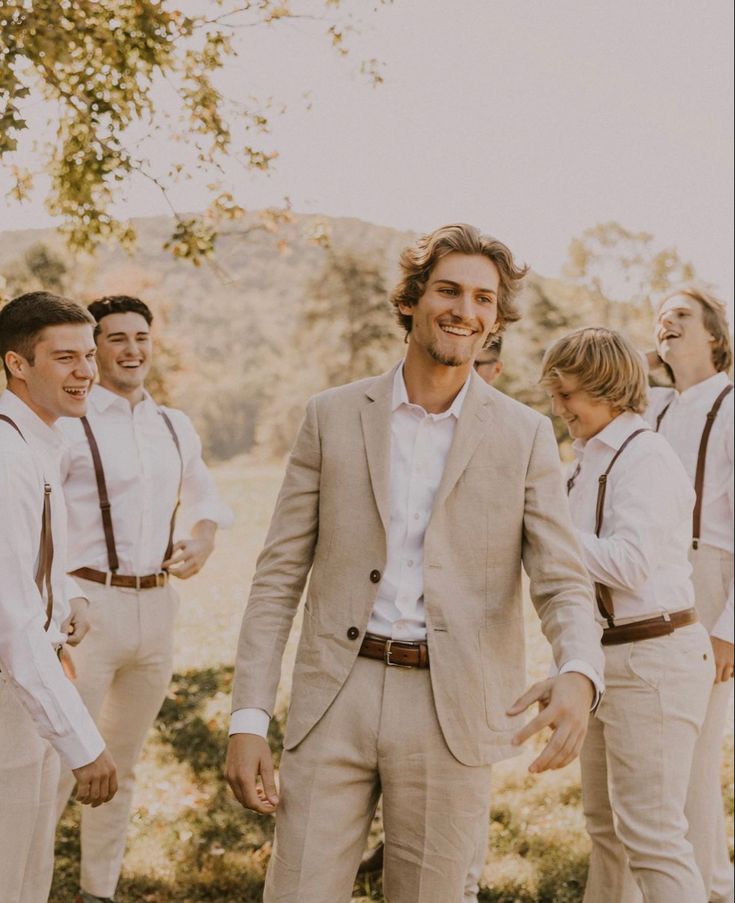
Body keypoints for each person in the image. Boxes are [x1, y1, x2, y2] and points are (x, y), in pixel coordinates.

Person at [225, 223, 604, 903]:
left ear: (495, 318)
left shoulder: (523, 436)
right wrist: (248, 717)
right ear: (410, 300)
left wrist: (578, 669)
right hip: (331, 698)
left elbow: (561, 580)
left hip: (450, 710)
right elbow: (277, 578)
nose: (466, 309)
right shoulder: (330, 417)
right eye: (449, 290)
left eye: (484, 299)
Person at [55, 295, 233, 903]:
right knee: (59, 764)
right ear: (92, 349)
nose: (131, 349)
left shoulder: (173, 425)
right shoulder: (68, 422)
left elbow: (205, 497)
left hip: (156, 611)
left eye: (141, 338)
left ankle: (97, 892)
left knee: (121, 765)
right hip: (85, 610)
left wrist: (202, 539)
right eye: (116, 338)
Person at [542, 327, 713, 902]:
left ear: (608, 388)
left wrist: (545, 529)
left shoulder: (648, 456)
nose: (557, 406)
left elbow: (631, 563)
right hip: (603, 660)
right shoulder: (583, 462)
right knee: (605, 830)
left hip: (654, 660)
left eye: (567, 394)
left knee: (654, 837)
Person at [357, 330, 506, 900]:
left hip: (453, 681)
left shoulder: (518, 433)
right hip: (353, 668)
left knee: (447, 873)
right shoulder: (350, 414)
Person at [0, 292, 117, 903]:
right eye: (66, 358)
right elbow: (11, 623)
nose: (87, 373)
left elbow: (26, 567)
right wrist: (83, 743)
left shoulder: (42, 444)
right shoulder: (7, 457)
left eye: (89, 356)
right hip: (7, 698)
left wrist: (66, 597)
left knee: (29, 875)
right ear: (18, 365)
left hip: (32, 691)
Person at [643, 287, 733, 903]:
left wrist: (731, 626)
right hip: (646, 582)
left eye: (681, 316)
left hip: (709, 583)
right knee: (652, 757)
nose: (665, 323)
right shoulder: (651, 409)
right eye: (661, 317)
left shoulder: (731, 405)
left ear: (715, 337)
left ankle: (715, 889)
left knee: (697, 761)